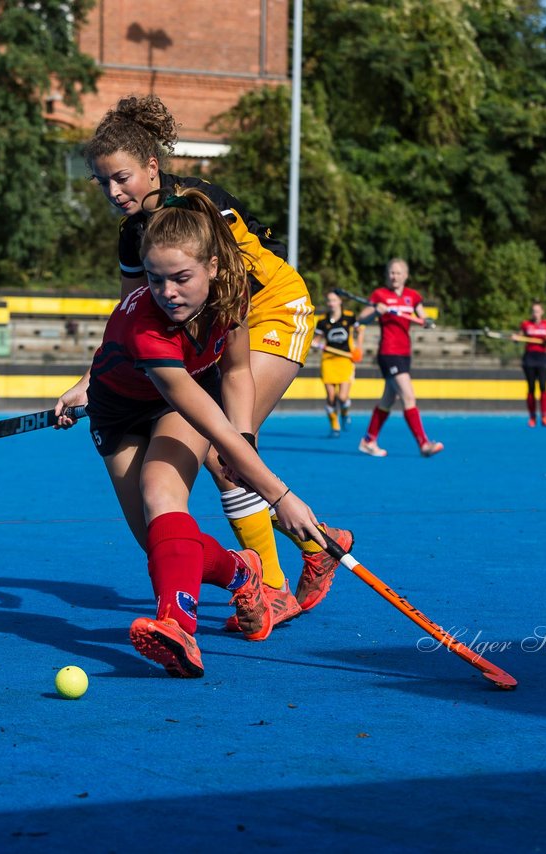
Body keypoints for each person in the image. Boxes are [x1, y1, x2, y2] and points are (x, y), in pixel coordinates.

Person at [60, 94, 353, 626]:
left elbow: (229, 288)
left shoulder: (198, 207)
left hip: (268, 310)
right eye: (102, 182)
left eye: (121, 177)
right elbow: (132, 310)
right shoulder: (135, 234)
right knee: (226, 458)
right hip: (217, 322)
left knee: (228, 453)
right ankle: (309, 553)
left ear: (153, 166)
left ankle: (275, 582)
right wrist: (90, 380)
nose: (113, 191)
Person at [53, 187, 325, 678]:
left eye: (180, 278)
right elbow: (209, 422)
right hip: (118, 414)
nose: (168, 292)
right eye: (155, 280)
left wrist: (246, 439)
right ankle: (244, 572)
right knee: (160, 545)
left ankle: (177, 628)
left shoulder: (233, 292)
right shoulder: (148, 329)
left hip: (178, 402)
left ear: (215, 269)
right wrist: (280, 496)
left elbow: (237, 373)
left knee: (162, 497)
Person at [355, 258, 444, 458]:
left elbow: (424, 318)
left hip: (405, 353)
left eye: (398, 273)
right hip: (388, 352)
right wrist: (375, 311)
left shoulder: (413, 296)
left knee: (388, 398)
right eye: (391, 273)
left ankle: (369, 440)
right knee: (408, 396)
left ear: (405, 275)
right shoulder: (380, 295)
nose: (394, 276)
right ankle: (423, 443)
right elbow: (361, 319)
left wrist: (428, 322)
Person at [312, 289, 364, 436]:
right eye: (329, 301)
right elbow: (316, 340)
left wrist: (358, 348)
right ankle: (335, 426)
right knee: (331, 397)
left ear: (340, 301)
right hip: (328, 360)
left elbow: (360, 330)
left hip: (345, 359)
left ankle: (345, 413)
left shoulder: (349, 317)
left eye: (334, 300)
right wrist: (316, 344)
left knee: (342, 397)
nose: (331, 304)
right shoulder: (322, 320)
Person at [511, 300, 546, 427]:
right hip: (529, 359)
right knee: (531, 388)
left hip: (542, 358)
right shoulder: (526, 324)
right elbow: (519, 337)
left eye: (538, 311)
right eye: (533, 312)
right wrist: (515, 338)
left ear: (542, 312)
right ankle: (532, 417)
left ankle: (545, 416)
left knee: (543, 386)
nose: (535, 314)